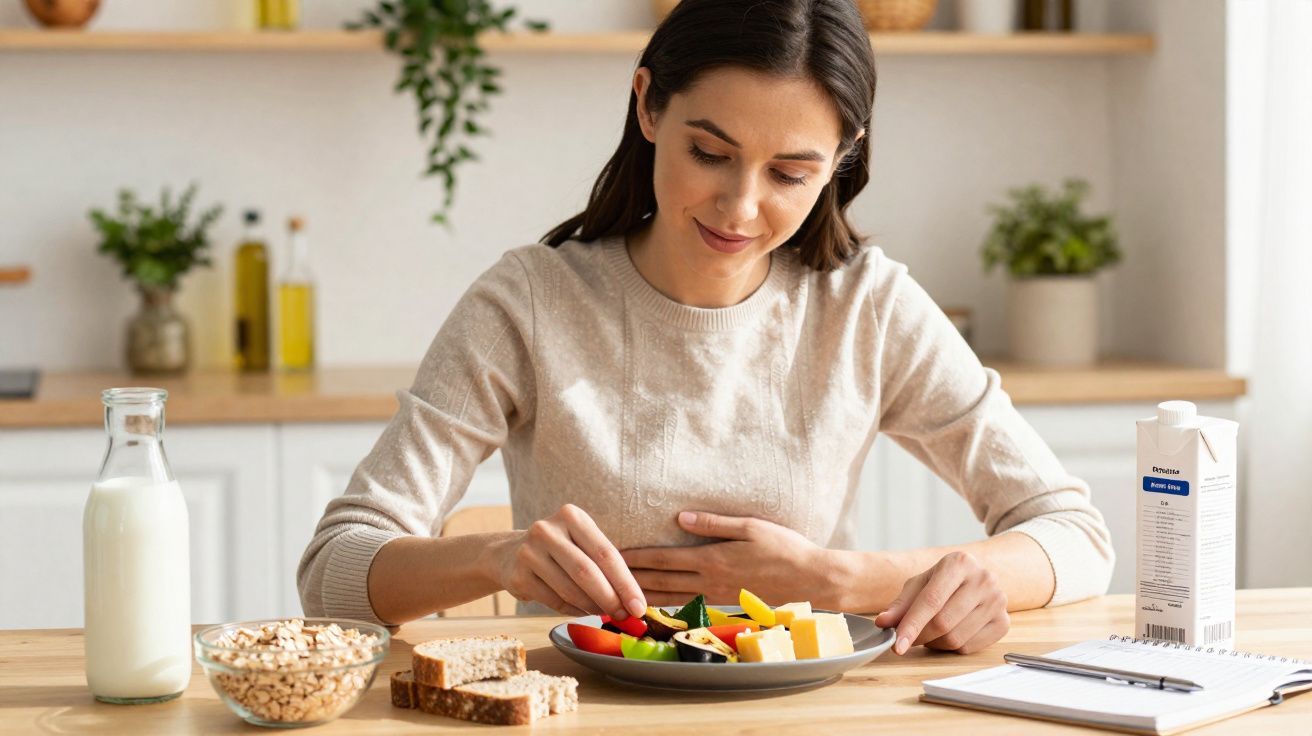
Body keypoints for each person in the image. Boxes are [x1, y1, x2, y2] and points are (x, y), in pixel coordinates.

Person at [298, 0, 1113, 657]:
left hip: (811, 715)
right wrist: (497, 557)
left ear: (841, 159)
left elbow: (1076, 536)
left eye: (789, 173)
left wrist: (846, 581)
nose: (740, 207)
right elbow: (333, 568)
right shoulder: (531, 301)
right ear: (648, 104)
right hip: (592, 715)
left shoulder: (866, 306)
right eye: (710, 153)